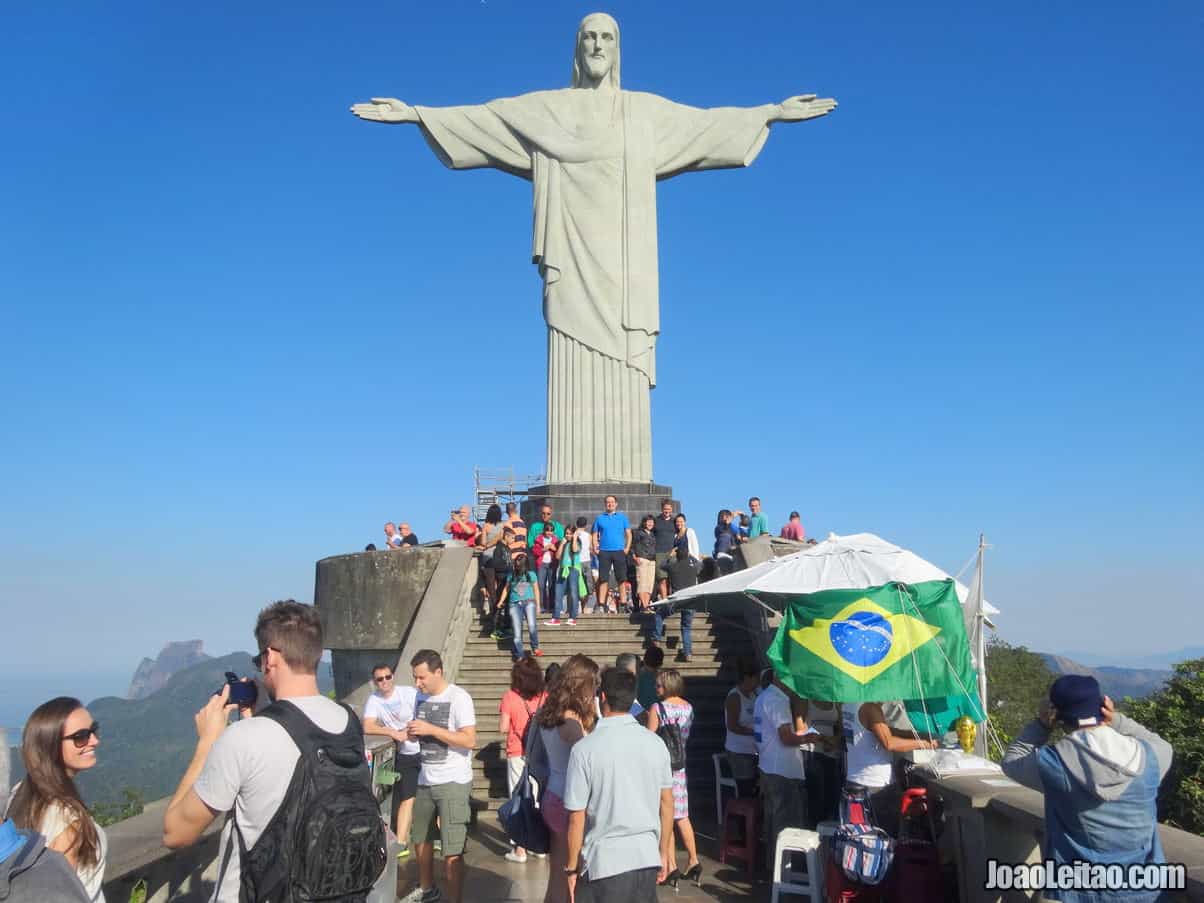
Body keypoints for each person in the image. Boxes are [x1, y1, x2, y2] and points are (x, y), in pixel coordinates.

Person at [162, 600, 359, 903]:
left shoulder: (243, 740)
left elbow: (176, 834)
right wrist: (260, 718)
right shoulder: (349, 722)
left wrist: (207, 743)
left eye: (259, 659)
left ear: (270, 657)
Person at [1001, 675, 1174, 901]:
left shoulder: (1053, 764)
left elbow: (1012, 760)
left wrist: (1042, 724)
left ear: (1058, 716)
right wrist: (1117, 719)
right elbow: (1161, 743)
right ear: (1103, 707)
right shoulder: (1151, 757)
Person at [563, 667, 674, 903]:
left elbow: (576, 816)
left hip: (605, 862)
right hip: (646, 856)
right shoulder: (655, 744)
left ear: (602, 698)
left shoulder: (584, 750)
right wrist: (663, 852)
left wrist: (572, 868)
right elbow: (667, 803)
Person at [5, 698, 107, 901]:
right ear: (50, 744)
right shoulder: (66, 819)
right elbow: (55, 895)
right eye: (81, 737)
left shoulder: (20, 794)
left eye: (93, 730)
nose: (95, 741)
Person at [404, 649, 477, 903]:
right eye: (415, 677)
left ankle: (454, 898)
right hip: (426, 778)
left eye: (422, 677)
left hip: (453, 781)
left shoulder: (459, 698)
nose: (417, 683)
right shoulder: (419, 697)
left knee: (452, 849)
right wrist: (414, 733)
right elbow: (424, 732)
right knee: (420, 838)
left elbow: (469, 740)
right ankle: (427, 889)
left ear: (438, 672)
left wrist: (431, 729)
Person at [535, 655, 599, 903]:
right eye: (592, 684)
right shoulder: (571, 720)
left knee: (557, 872)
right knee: (573, 874)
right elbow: (587, 759)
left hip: (552, 792)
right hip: (569, 801)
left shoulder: (549, 711)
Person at [754, 673, 830, 861]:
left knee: (774, 821)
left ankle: (774, 865)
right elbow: (786, 737)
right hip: (782, 770)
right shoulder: (777, 700)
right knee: (786, 824)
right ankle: (784, 866)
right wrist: (808, 738)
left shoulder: (763, 697)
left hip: (769, 765)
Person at [842, 702, 938, 837]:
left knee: (860, 840)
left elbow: (884, 731)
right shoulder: (870, 707)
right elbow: (889, 742)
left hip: (854, 781)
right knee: (885, 842)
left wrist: (915, 736)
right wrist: (924, 744)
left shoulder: (848, 704)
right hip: (876, 786)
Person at [644, 669, 700, 888]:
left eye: (658, 685)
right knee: (682, 815)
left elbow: (649, 740)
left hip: (662, 769)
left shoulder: (657, 708)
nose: (656, 688)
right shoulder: (689, 708)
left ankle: (670, 865)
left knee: (664, 816)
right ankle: (694, 859)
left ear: (667, 686)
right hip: (680, 767)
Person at [362, 662, 421, 859]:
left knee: (428, 793)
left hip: (424, 748)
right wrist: (391, 732)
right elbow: (368, 726)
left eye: (388, 677)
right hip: (404, 753)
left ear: (393, 676)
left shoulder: (408, 693)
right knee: (407, 797)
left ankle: (434, 836)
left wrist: (408, 731)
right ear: (375, 682)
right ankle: (402, 842)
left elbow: (423, 713)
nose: (385, 682)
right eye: (380, 679)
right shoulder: (374, 700)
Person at [498, 656, 548, 863]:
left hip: (517, 752)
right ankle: (538, 844)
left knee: (518, 798)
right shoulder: (543, 695)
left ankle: (520, 849)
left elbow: (502, 727)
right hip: (539, 752)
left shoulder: (510, 697)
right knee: (537, 798)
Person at [799, 699, 841, 827]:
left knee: (831, 798)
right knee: (815, 798)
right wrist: (825, 740)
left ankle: (826, 837)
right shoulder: (805, 700)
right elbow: (801, 728)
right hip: (811, 752)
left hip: (831, 754)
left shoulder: (835, 702)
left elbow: (842, 727)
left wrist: (835, 740)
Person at [653, 546, 699, 661]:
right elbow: (700, 564)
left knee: (659, 614)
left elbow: (661, 566)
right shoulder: (693, 568)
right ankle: (688, 653)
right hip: (690, 601)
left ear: (677, 555)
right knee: (686, 627)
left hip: (676, 600)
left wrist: (670, 555)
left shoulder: (672, 566)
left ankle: (657, 638)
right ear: (687, 555)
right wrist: (691, 556)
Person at [723, 658, 761, 796]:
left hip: (757, 750)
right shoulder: (734, 697)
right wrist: (753, 732)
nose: (758, 682)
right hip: (740, 752)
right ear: (747, 677)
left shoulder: (756, 694)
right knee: (746, 789)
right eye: (756, 678)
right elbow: (732, 726)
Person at [499, 552, 542, 659]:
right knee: (517, 630)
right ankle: (520, 654)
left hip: (529, 602)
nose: (516, 565)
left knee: (532, 626)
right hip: (514, 604)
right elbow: (506, 588)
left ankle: (535, 646)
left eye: (519, 563)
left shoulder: (530, 574)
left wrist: (538, 605)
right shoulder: (511, 575)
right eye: (516, 563)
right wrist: (501, 601)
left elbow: (536, 589)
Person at [592, 495, 631, 613]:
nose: (610, 504)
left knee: (621, 579)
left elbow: (628, 534)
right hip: (604, 551)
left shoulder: (622, 518)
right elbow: (594, 534)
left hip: (619, 551)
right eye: (608, 502)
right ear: (605, 504)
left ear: (616, 504)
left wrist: (627, 548)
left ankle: (623, 604)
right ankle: (601, 604)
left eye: (612, 502)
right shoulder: (599, 518)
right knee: (603, 579)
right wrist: (595, 547)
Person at [547, 523, 586, 626]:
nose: (567, 535)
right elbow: (558, 556)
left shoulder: (577, 542)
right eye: (566, 534)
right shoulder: (563, 543)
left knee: (573, 593)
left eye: (570, 534)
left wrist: (575, 538)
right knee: (558, 593)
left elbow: (574, 549)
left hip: (573, 569)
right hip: (563, 570)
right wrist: (562, 544)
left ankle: (573, 617)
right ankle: (556, 618)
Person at [479, 504, 511, 611]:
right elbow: (500, 538)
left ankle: (493, 608)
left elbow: (483, 543)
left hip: (487, 557)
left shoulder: (486, 526)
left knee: (491, 585)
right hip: (500, 557)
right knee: (501, 583)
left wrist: (487, 545)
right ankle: (501, 606)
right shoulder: (503, 525)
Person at [532, 521, 563, 616]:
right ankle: (542, 606)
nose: (549, 533)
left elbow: (559, 551)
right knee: (541, 586)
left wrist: (553, 548)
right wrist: (544, 549)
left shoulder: (556, 540)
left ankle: (552, 607)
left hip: (552, 565)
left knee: (552, 585)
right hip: (542, 564)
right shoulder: (538, 539)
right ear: (544, 531)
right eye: (547, 530)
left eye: (551, 531)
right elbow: (535, 552)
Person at [651, 500, 677, 601]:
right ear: (662, 509)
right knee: (662, 579)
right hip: (659, 553)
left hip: (672, 553)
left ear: (672, 510)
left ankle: (673, 600)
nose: (667, 511)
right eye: (665, 509)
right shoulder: (656, 521)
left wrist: (676, 549)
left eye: (669, 509)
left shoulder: (675, 522)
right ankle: (665, 600)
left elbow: (680, 536)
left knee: (673, 578)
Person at [631, 515, 657, 611]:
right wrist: (634, 557)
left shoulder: (653, 534)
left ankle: (645, 605)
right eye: (648, 521)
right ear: (644, 522)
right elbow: (632, 545)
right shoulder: (638, 533)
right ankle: (644, 605)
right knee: (642, 583)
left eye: (652, 522)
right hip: (642, 559)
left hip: (652, 560)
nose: (650, 524)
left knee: (649, 584)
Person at [635, 646, 663, 711]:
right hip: (659, 715)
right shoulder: (665, 679)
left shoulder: (636, 678)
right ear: (661, 663)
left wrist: (642, 716)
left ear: (644, 660)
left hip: (640, 716)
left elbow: (631, 703)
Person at [712, 509, 738, 576]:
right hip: (723, 554)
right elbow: (724, 529)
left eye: (728, 516)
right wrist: (732, 516)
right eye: (725, 516)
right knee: (725, 535)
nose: (727, 518)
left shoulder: (732, 527)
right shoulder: (718, 528)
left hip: (733, 555)